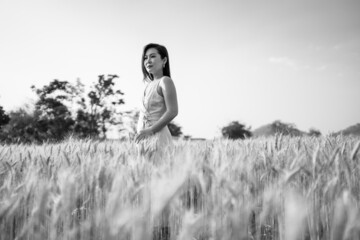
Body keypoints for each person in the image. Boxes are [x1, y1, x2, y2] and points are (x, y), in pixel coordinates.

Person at [135, 43, 178, 156]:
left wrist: (151, 130)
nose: (148, 60)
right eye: (145, 58)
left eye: (152, 56)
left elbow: (173, 111)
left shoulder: (165, 81)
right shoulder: (147, 85)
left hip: (158, 138)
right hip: (143, 140)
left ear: (164, 60)